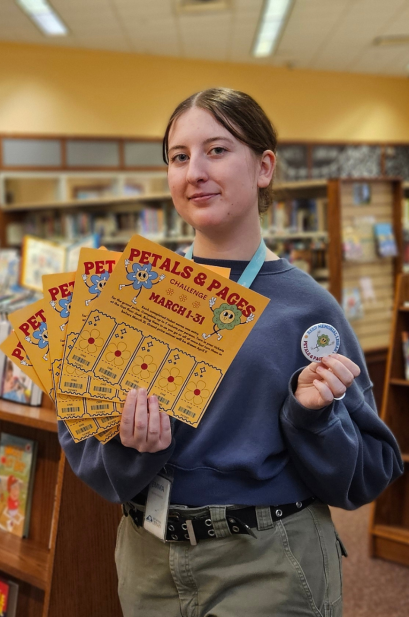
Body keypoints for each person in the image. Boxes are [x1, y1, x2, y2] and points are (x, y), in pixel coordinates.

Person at [59, 88, 403, 616]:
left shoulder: (307, 307)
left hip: (270, 560)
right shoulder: (130, 292)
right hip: (147, 559)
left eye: (217, 150)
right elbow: (82, 441)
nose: (194, 170)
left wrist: (312, 417)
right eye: (179, 157)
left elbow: (368, 473)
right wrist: (133, 446)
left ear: (264, 167)